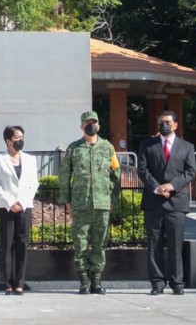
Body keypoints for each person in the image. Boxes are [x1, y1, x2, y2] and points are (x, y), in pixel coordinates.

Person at [58, 110, 121, 295]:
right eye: (87, 123)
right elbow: (64, 176)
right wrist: (67, 199)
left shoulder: (108, 148)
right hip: (81, 203)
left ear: (99, 126)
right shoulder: (73, 148)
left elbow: (116, 175)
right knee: (80, 243)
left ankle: (97, 282)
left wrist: (112, 199)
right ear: (81, 126)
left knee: (100, 243)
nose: (91, 126)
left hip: (102, 203)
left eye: (94, 122)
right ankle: (84, 282)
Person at [137, 110, 196, 295]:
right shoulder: (147, 145)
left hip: (176, 203)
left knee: (175, 244)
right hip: (154, 202)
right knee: (154, 245)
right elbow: (143, 169)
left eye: (168, 122)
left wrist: (171, 186)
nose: (164, 125)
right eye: (162, 122)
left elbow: (190, 171)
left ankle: (177, 283)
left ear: (175, 125)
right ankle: (157, 283)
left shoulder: (187, 147)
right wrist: (157, 187)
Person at [0, 125, 39, 295]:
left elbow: (34, 183)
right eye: (17, 137)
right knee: (7, 243)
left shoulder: (30, 159)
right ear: (8, 141)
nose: (20, 140)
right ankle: (8, 282)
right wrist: (10, 202)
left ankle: (20, 282)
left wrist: (23, 202)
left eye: (22, 137)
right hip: (6, 207)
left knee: (22, 243)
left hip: (25, 207)